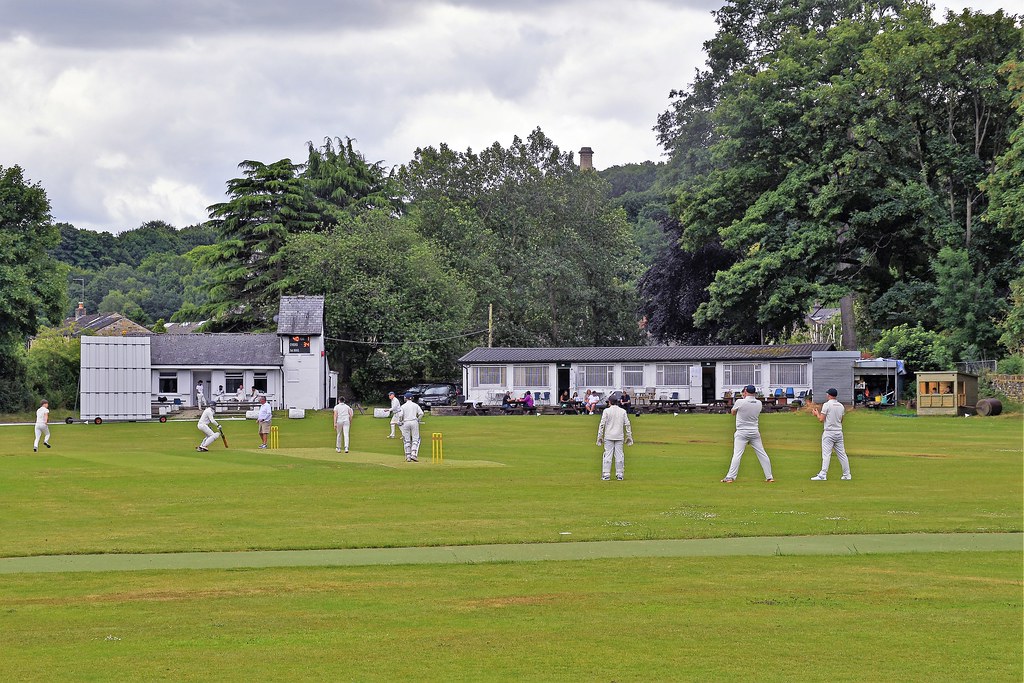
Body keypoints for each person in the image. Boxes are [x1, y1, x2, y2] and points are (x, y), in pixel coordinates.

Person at [721, 385, 774, 483]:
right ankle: (769, 477)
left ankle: (730, 477)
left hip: (742, 432)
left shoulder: (740, 402)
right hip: (754, 432)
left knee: (737, 454)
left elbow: (733, 413)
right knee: (762, 454)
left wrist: (742, 399)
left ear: (745, 391)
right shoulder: (759, 403)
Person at [810, 388, 852, 481]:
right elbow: (841, 420)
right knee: (842, 454)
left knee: (826, 454)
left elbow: (821, 419)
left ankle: (823, 474)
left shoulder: (826, 405)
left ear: (829, 395)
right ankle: (847, 474)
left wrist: (816, 414)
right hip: (839, 432)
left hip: (829, 432)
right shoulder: (841, 406)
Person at [597, 396, 633, 480]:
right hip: (619, 436)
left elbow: (602, 424)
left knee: (608, 455)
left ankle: (606, 474)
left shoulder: (606, 411)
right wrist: (629, 436)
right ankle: (619, 474)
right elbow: (627, 424)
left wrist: (599, 436)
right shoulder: (622, 411)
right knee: (619, 455)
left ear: (610, 402)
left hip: (609, 436)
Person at [398, 392, 424, 462]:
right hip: (414, 422)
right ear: (412, 398)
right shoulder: (415, 405)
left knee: (407, 439)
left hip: (406, 422)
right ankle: (413, 454)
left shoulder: (403, 406)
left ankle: (408, 456)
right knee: (416, 439)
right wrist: (418, 420)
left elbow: (400, 415)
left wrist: (400, 421)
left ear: (405, 398)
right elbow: (421, 413)